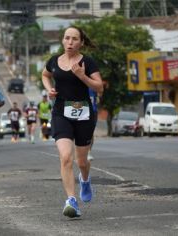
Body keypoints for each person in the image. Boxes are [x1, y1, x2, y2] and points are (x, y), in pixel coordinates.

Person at [41, 26, 103, 218]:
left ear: (81, 42)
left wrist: (81, 75)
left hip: (84, 114)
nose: (70, 42)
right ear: (62, 41)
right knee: (66, 156)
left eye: (74, 39)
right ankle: (72, 201)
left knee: (82, 161)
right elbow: (45, 75)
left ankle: (85, 180)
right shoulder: (54, 61)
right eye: (67, 38)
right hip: (61, 113)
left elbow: (99, 87)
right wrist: (49, 89)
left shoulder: (87, 62)